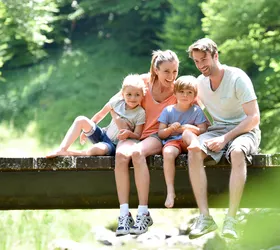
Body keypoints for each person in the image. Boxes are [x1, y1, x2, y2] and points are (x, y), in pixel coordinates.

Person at [186, 38, 261, 239]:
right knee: (193, 150)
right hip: (217, 130)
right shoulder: (199, 83)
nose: (201, 65)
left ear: (215, 56)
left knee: (236, 152)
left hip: (245, 131)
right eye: (196, 61)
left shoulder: (237, 78)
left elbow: (254, 118)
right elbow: (188, 103)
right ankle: (205, 218)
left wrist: (225, 138)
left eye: (204, 59)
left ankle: (231, 219)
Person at [113, 50, 179, 236]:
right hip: (135, 134)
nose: (171, 76)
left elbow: (196, 111)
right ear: (156, 70)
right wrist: (119, 123)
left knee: (137, 153)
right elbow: (114, 103)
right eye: (167, 71)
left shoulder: (178, 88)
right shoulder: (141, 82)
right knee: (120, 155)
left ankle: (143, 213)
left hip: (157, 136)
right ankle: (124, 215)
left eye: (175, 71)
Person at [46, 74, 146, 158]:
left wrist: (129, 133)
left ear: (142, 95)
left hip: (113, 145)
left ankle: (72, 153)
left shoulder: (140, 113)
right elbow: (100, 115)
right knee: (81, 119)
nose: (133, 98)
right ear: (123, 94)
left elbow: (137, 135)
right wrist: (88, 129)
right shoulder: (116, 103)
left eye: (137, 95)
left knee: (96, 150)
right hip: (103, 135)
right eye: (129, 94)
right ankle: (62, 149)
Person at [158, 75, 207, 208]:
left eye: (189, 92)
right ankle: (170, 190)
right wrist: (170, 129)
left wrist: (190, 128)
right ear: (175, 93)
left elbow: (203, 130)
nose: (185, 95)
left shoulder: (196, 110)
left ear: (194, 95)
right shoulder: (168, 111)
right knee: (167, 153)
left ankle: (196, 146)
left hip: (190, 142)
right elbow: (161, 134)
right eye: (181, 92)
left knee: (187, 133)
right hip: (174, 142)